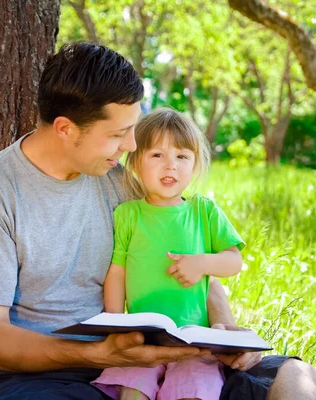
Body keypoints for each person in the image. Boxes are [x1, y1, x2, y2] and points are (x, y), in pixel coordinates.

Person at [0, 42, 316, 400]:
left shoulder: (122, 182)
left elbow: (184, 260)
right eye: (118, 134)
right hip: (33, 377)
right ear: (65, 129)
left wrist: (222, 332)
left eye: (133, 129)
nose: (131, 147)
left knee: (294, 378)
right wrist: (98, 355)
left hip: (143, 360)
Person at [91, 109, 244, 400]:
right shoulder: (128, 214)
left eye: (182, 157)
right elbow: (118, 271)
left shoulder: (204, 211)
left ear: (195, 164)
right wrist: (114, 323)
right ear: (135, 163)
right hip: (143, 338)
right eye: (157, 155)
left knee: (194, 388)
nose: (170, 166)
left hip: (195, 342)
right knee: (132, 387)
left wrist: (202, 263)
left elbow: (234, 260)